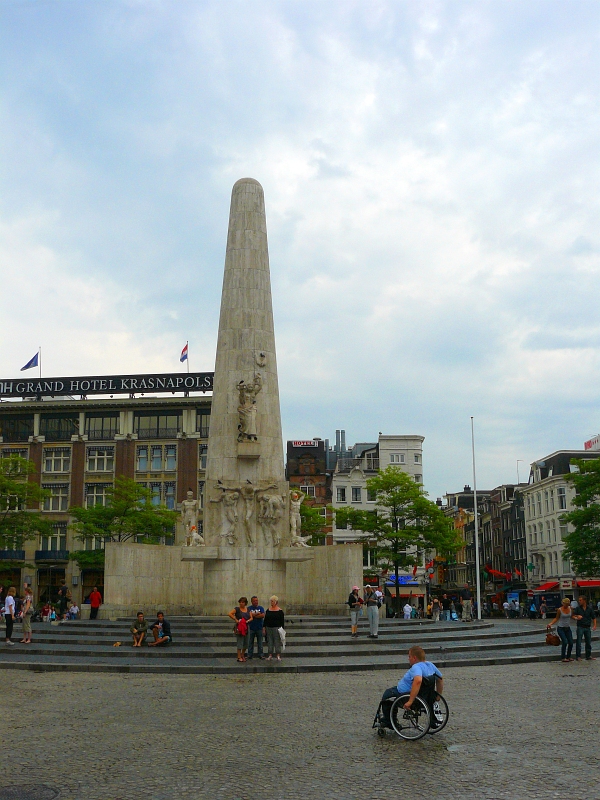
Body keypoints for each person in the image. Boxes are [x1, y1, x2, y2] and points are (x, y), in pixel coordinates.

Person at [379, 646, 444, 728]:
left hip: (405, 694)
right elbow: (440, 679)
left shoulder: (416, 667)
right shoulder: (430, 665)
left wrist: (410, 701)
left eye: (409, 656)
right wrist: (438, 696)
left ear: (414, 658)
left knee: (387, 695)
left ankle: (389, 721)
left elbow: (418, 681)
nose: (408, 658)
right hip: (425, 695)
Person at [548, 598, 575, 662]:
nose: (566, 605)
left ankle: (568, 656)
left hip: (567, 628)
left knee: (571, 642)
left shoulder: (571, 609)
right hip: (560, 628)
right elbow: (556, 618)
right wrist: (551, 623)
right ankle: (563, 657)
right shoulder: (560, 610)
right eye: (565, 604)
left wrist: (577, 618)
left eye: (567, 604)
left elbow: (572, 616)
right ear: (563, 603)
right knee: (565, 642)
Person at [572, 596, 597, 661]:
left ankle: (588, 655)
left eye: (580, 600)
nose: (579, 601)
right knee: (579, 642)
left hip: (587, 627)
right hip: (580, 626)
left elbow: (593, 617)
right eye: (579, 600)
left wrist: (594, 625)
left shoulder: (589, 609)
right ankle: (578, 656)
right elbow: (572, 615)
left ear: (584, 601)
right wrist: (577, 616)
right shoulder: (578, 608)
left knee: (588, 642)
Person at [228, 597, 251, 662]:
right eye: (240, 602)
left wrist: (248, 620)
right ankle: (239, 657)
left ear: (245, 603)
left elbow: (251, 617)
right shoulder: (237, 609)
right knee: (240, 642)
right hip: (239, 628)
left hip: (246, 627)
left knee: (246, 642)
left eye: (243, 602)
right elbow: (230, 614)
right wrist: (236, 619)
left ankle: (242, 655)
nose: (241, 603)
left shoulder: (248, 609)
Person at [264, 595, 285, 662]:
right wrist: (264, 627)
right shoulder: (268, 610)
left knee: (277, 641)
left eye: (272, 601)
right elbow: (265, 619)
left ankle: (278, 655)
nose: (271, 602)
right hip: (269, 627)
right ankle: (270, 655)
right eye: (271, 601)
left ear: (276, 602)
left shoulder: (280, 611)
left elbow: (282, 621)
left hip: (277, 628)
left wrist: (282, 629)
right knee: (270, 641)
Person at [247, 595, 265, 659]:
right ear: (251, 602)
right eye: (254, 601)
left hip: (259, 628)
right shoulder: (248, 608)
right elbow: (248, 616)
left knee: (260, 643)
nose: (256, 602)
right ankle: (249, 654)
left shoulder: (261, 608)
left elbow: (262, 615)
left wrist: (253, 615)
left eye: (256, 600)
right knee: (250, 642)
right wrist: (257, 614)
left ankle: (261, 654)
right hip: (251, 628)